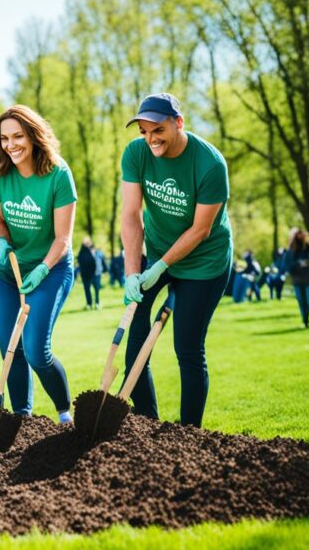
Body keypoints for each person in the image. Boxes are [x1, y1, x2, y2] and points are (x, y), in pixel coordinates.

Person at [120, 93, 233, 428]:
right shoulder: (136, 154)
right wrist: (132, 271)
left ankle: (189, 435)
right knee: (136, 335)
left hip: (204, 264)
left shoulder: (210, 164)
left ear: (178, 123)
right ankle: (146, 422)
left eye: (158, 130)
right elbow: (130, 215)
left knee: (187, 347)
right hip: (155, 249)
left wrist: (160, 268)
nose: (151, 138)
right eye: (144, 131)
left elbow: (201, 230)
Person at [0, 105, 76, 423]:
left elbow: (63, 238)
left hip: (50, 269)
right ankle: (22, 419)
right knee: (11, 350)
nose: (11, 145)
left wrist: (42, 269)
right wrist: (0, 241)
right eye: (5, 138)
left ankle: (65, 414)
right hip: (7, 272)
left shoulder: (58, 174)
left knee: (36, 351)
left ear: (34, 136)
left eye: (18, 136)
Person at [283, 229, 309, 327]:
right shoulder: (290, 252)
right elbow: (288, 267)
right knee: (302, 302)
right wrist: (299, 264)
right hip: (298, 280)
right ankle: (305, 320)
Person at [77, 236, 101, 310]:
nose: (87, 244)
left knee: (96, 289)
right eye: (85, 243)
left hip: (96, 273)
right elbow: (80, 262)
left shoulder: (95, 251)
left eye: (88, 242)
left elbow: (98, 262)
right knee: (87, 289)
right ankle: (89, 304)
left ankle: (97, 303)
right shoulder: (81, 252)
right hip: (86, 274)